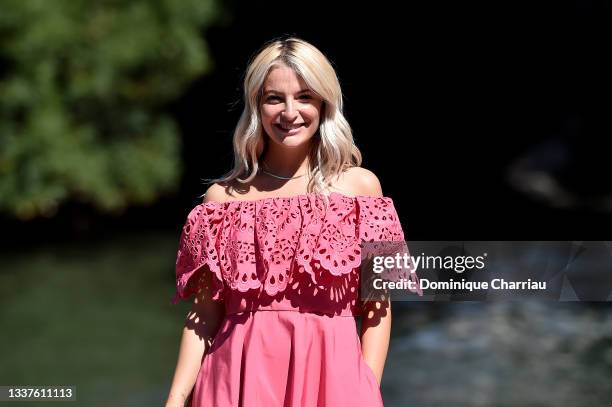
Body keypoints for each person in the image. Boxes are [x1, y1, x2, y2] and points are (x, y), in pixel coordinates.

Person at [165, 36, 416, 407]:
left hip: (334, 384)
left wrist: (366, 386)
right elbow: (204, 314)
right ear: (256, 105)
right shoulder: (221, 199)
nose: (289, 112)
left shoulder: (364, 188)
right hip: (234, 379)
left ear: (323, 103)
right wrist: (175, 399)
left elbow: (379, 305)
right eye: (273, 98)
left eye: (304, 96)